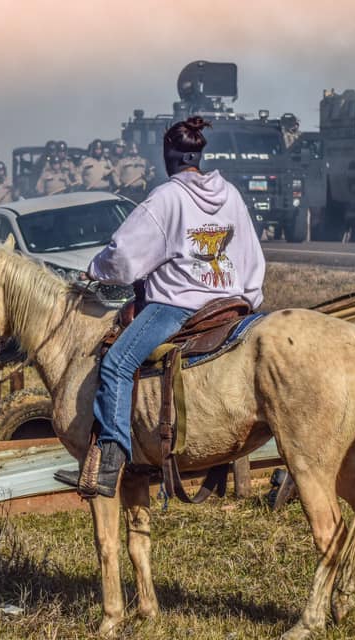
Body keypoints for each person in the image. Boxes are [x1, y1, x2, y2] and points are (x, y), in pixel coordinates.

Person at [76, 116, 266, 498]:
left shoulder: (166, 198)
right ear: (198, 156)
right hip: (230, 303)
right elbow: (250, 251)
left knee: (116, 363)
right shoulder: (229, 192)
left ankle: (112, 459)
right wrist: (247, 297)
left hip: (179, 307)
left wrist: (95, 270)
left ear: (168, 158)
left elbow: (126, 256)